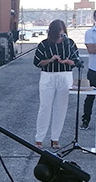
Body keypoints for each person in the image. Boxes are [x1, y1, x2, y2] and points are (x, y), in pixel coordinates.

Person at [33, 20, 78, 149]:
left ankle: (55, 138)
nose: (60, 37)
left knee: (61, 108)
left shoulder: (69, 43)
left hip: (65, 75)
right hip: (48, 76)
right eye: (58, 34)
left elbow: (75, 61)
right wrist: (51, 60)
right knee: (45, 107)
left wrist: (66, 61)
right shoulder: (44, 44)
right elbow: (37, 62)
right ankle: (39, 138)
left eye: (62, 34)